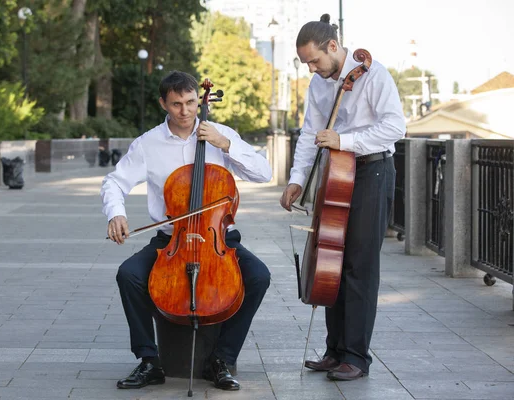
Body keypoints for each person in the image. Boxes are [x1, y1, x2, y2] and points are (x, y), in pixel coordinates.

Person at [101, 71, 272, 391]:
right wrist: (116, 214)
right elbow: (115, 181)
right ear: (163, 103)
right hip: (171, 238)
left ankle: (221, 359)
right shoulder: (148, 143)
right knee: (129, 274)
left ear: (199, 99)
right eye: (176, 104)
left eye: (191, 102)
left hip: (218, 237)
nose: (185, 111)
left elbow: (264, 173)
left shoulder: (220, 133)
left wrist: (227, 144)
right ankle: (149, 360)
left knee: (259, 276)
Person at [280, 14, 406, 381]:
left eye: (315, 61)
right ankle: (335, 351)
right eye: (306, 64)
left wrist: (344, 141)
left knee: (359, 265)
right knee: (330, 259)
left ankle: (356, 356)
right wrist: (296, 180)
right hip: (336, 173)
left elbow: (395, 127)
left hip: (372, 170)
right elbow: (309, 134)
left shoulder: (374, 74)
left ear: (333, 47)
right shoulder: (318, 84)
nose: (312, 69)